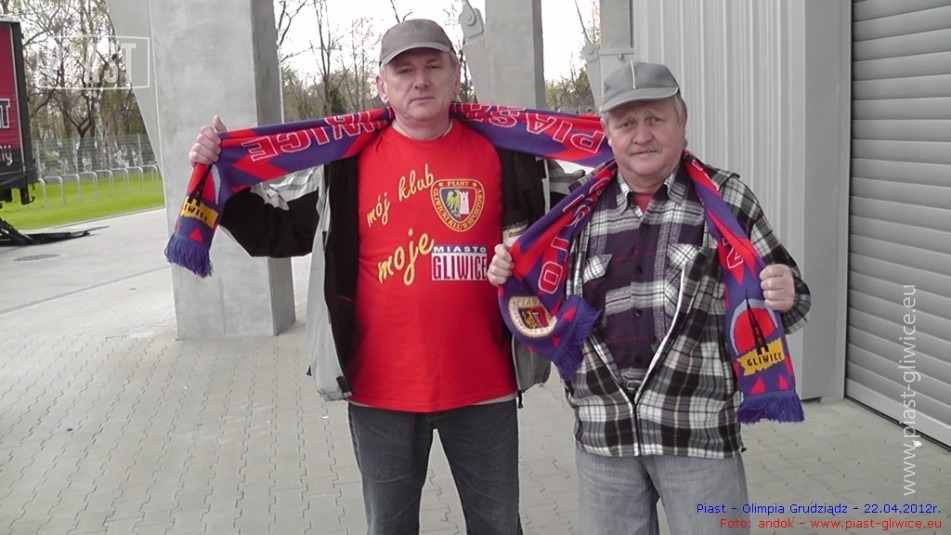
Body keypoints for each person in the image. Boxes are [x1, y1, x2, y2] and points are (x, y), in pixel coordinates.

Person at [188, 19, 551, 535]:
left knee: (498, 525)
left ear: (455, 75)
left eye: (433, 66)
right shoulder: (345, 164)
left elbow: (568, 228)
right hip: (380, 392)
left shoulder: (506, 155)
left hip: (485, 386)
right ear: (382, 85)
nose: (420, 80)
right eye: (404, 70)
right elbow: (280, 230)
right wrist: (220, 177)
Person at [487, 61, 812, 535]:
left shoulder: (727, 198)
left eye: (655, 119)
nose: (642, 136)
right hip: (605, 439)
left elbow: (794, 300)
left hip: (696, 436)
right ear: (608, 133)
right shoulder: (576, 210)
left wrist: (785, 291)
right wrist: (508, 272)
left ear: (682, 121)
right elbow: (545, 306)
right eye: (626, 124)